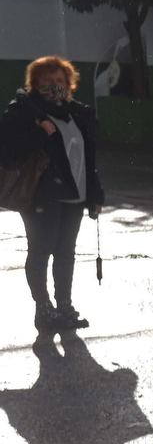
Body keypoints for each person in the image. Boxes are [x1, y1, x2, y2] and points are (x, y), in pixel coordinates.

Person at [0, 57, 105, 331]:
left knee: (66, 253)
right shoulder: (24, 110)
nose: (54, 86)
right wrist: (39, 133)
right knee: (40, 251)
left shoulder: (76, 113)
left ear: (68, 84)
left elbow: (87, 157)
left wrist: (96, 194)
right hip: (40, 196)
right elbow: (8, 151)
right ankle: (43, 310)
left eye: (59, 81)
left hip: (74, 195)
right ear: (34, 84)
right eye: (47, 81)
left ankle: (64, 307)